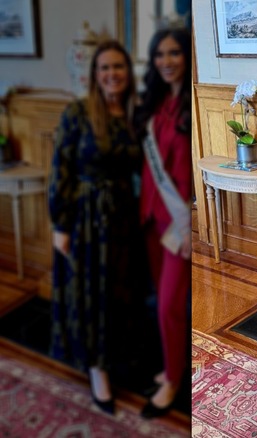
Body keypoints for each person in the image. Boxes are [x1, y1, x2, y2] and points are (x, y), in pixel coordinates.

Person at [49, 40, 142, 415]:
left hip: (123, 218)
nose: (112, 74)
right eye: (104, 68)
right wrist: (61, 224)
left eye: (118, 67)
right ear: (94, 74)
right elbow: (61, 169)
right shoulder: (78, 112)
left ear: (127, 72)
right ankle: (96, 370)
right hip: (86, 217)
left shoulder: (132, 113)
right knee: (91, 296)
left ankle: (114, 358)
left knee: (118, 295)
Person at [134, 27, 193, 418]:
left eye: (174, 53)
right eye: (160, 54)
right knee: (162, 303)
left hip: (179, 222)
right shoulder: (155, 104)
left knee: (171, 304)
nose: (166, 61)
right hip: (152, 215)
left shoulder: (189, 107)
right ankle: (173, 365)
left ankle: (173, 381)